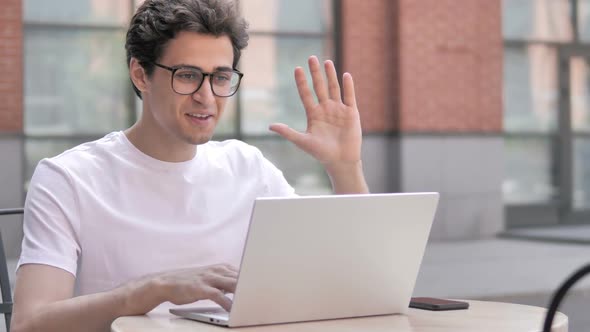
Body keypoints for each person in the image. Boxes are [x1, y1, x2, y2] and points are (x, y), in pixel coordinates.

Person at [11, 0, 369, 331]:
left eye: (221, 77)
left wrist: (344, 167)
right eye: (187, 75)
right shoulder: (69, 178)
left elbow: (346, 275)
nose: (207, 96)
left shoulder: (248, 168)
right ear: (140, 75)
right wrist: (149, 291)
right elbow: (30, 323)